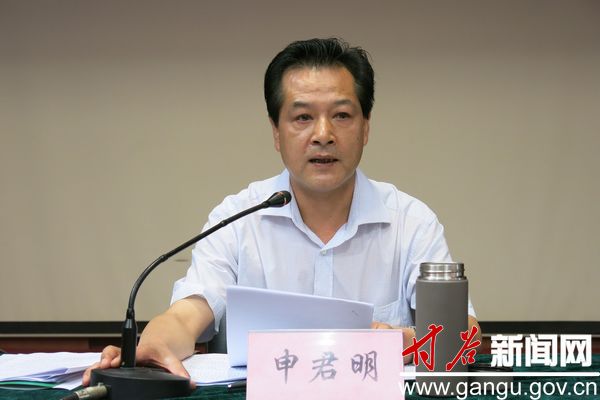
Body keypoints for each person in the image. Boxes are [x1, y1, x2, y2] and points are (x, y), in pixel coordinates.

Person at [83, 37, 481, 386]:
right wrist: (153, 344)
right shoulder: (239, 219)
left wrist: (405, 341)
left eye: (342, 115)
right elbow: (187, 315)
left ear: (365, 128)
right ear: (276, 132)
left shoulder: (411, 222)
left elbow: (466, 332)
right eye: (303, 117)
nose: (323, 134)